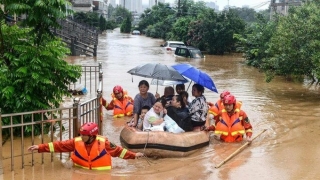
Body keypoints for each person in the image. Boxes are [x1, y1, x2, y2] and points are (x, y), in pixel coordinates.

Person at [27, 122, 144, 170]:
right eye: (81, 134)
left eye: (84, 135)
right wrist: (40, 147)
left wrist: (134, 155)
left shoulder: (105, 144)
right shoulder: (76, 141)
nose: (82, 137)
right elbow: (59, 145)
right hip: (79, 169)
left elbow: (119, 152)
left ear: (92, 136)